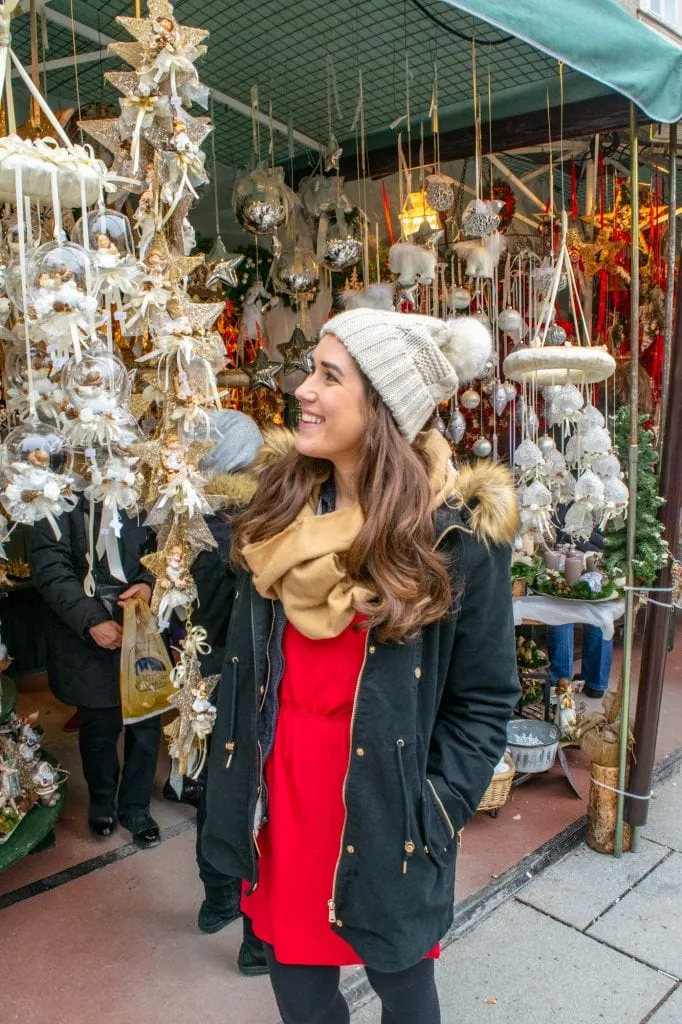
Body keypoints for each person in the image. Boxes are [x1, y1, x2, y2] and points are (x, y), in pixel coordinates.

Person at [202, 309, 520, 1024]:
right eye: (311, 369)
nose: (303, 390)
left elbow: (486, 697)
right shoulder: (276, 512)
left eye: (328, 375)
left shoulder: (452, 538)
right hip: (283, 802)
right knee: (301, 997)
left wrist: (437, 807)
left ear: (381, 405)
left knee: (405, 991)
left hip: (387, 807)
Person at [28, 494, 161, 848]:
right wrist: (92, 621)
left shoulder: (140, 490)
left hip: (139, 625)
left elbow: (164, 547)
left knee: (146, 725)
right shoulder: (58, 497)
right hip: (84, 630)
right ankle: (102, 800)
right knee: (100, 726)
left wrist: (148, 582)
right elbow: (50, 569)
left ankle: (136, 806)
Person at [189, 408, 269, 977]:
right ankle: (255, 936)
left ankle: (217, 899)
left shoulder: (183, 525)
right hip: (243, 681)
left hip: (200, 678)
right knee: (252, 802)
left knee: (212, 793)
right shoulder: (244, 536)